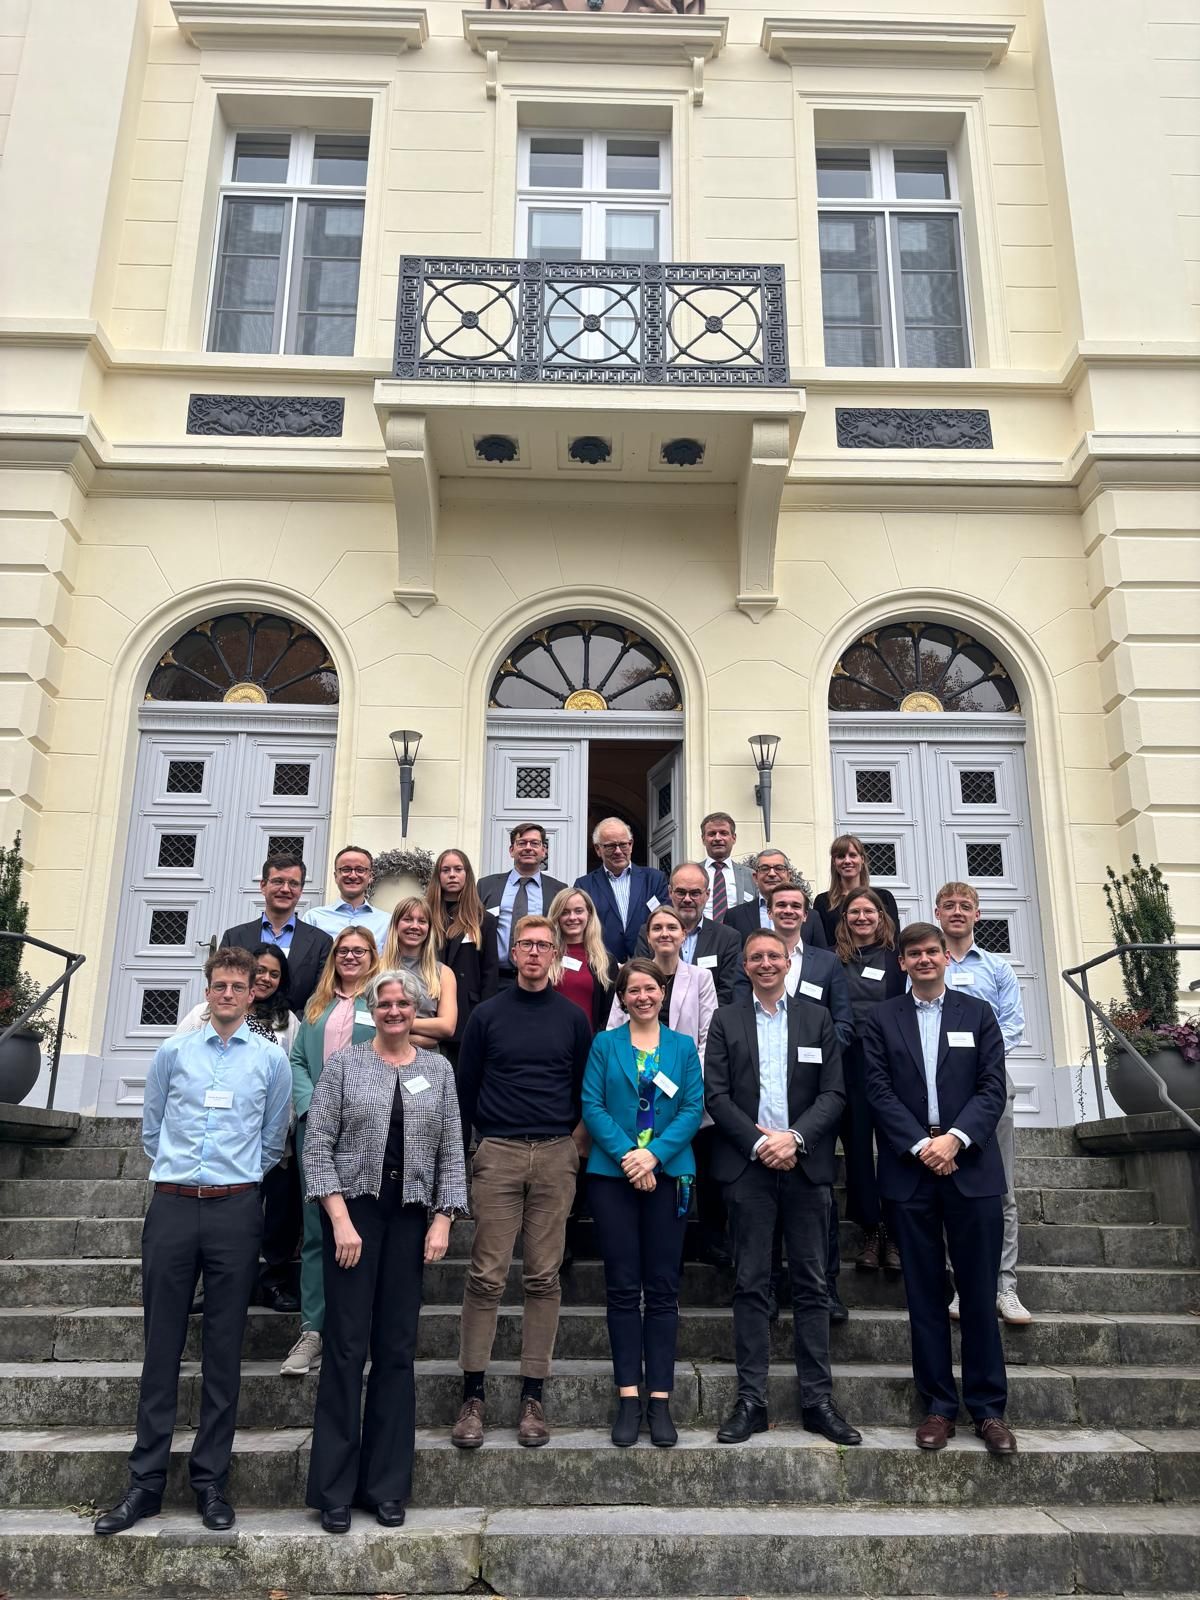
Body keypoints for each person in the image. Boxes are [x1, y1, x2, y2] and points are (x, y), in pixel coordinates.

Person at [93, 947, 290, 1536]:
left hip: (235, 1210)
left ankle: (210, 1483)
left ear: (254, 992)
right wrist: (182, 1175)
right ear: (206, 991)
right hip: (174, 1206)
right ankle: (145, 1485)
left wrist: (237, 1185)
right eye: (220, 985)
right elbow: (152, 1129)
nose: (228, 994)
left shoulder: (271, 1060)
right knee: (161, 1348)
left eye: (238, 986)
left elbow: (273, 1138)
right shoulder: (172, 1053)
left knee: (224, 1351)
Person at [302, 967, 468, 1532]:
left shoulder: (438, 1071)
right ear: (374, 1010)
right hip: (355, 1217)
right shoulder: (347, 1064)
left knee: (396, 1351)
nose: (395, 1011)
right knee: (346, 1350)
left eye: (404, 1003)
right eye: (386, 1003)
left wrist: (443, 1221)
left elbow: (451, 1149)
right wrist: (342, 1221)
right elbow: (317, 1142)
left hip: (410, 1220)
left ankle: (387, 1486)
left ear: (416, 1009)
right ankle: (334, 1490)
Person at [862, 921, 1016, 1456]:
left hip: (970, 1167)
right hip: (910, 1170)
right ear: (901, 962)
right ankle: (938, 1407)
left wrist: (953, 1140)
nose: (925, 959)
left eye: (933, 951)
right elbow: (876, 1090)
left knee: (977, 1293)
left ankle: (989, 1410)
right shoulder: (882, 1019)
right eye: (914, 953)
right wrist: (921, 1146)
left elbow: (992, 1087)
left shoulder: (978, 1014)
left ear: (946, 958)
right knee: (924, 1295)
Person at [704, 930, 860, 1448]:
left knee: (813, 1286)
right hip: (749, 1169)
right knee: (750, 1284)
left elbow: (835, 1092)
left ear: (788, 962)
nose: (766, 964)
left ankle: (817, 1401)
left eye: (774, 956)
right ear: (744, 966)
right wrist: (758, 1143)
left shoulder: (816, 1018)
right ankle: (751, 1400)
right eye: (756, 958)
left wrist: (793, 1139)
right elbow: (717, 1095)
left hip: (806, 1165)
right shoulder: (726, 1019)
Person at [452, 914, 592, 1449]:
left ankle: (533, 1394)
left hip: (555, 1155)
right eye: (525, 945)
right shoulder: (487, 1016)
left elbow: (586, 1087)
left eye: (543, 945)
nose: (534, 953)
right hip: (500, 1154)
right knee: (485, 1276)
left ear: (555, 954)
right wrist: (468, 1154)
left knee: (543, 1277)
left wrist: (574, 1145)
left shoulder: (573, 1018)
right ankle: (473, 1395)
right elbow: (465, 1091)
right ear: (512, 952)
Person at [583, 959, 704, 1447]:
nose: (642, 996)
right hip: (612, 1176)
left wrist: (652, 1156)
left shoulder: (682, 1047)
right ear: (622, 997)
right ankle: (628, 1397)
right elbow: (591, 1105)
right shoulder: (604, 1044)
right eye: (632, 990)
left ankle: (660, 1399)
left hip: (670, 1173)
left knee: (661, 1290)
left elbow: (694, 1107)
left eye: (650, 988)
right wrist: (629, 1157)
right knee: (621, 1288)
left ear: (663, 991)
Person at [179, 944, 301, 1313]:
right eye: (260, 970)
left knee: (278, 1215)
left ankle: (273, 1281)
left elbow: (292, 1074)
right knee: (220, 1222)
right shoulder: (203, 1014)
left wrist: (284, 1128)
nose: (266, 978)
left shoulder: (288, 1021)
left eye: (274, 974)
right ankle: (216, 1285)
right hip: (219, 1137)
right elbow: (179, 1061)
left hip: (272, 1135)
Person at [282, 927, 380, 1378]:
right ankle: (313, 1329)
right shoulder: (316, 1005)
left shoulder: (379, 1002)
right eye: (344, 951)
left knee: (365, 1224)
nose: (351, 957)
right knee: (318, 1228)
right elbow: (299, 1061)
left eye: (360, 951)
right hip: (316, 1128)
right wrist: (310, 1105)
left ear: (373, 956)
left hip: (366, 1127)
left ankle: (361, 1327)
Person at [934, 882, 1031, 1326]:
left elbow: (1012, 1024)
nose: (957, 912)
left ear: (978, 914)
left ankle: (1005, 1285)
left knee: (1002, 1188)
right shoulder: (928, 963)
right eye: (950, 905)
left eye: (965, 906)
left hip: (990, 1085)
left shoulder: (997, 968)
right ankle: (963, 1285)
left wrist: (981, 1059)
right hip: (938, 1090)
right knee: (950, 1188)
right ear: (937, 912)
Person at [625, 896, 729, 1266]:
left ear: (684, 934)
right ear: (648, 936)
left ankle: (710, 1240)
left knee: (699, 1165)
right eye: (657, 928)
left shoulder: (700, 978)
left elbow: (708, 1037)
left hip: (687, 1092)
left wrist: (685, 1082)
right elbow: (613, 1030)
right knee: (651, 1165)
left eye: (672, 927)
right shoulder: (634, 973)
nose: (665, 933)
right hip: (638, 1091)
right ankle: (658, 1242)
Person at [833, 891, 905, 1274]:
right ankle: (870, 1230)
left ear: (881, 916)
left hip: (892, 1063)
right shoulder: (831, 959)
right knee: (858, 1146)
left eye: (869, 911)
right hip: (849, 1062)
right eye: (854, 912)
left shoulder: (898, 959)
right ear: (844, 917)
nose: (862, 917)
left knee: (894, 1145)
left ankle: (894, 1231)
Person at [221, 851, 332, 1016]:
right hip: (238, 1026)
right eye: (278, 881)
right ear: (263, 886)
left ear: (301, 890)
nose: (285, 889)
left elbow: (320, 996)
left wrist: (291, 1027)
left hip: (295, 1031)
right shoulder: (234, 937)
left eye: (293, 884)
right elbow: (223, 985)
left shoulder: (321, 942)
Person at [634, 862, 743, 1006]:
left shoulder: (727, 938)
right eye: (680, 892)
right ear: (670, 892)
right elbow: (641, 979)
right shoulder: (649, 933)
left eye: (695, 893)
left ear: (707, 895)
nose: (687, 899)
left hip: (709, 1023)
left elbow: (726, 992)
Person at [427, 847, 499, 1066]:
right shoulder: (424, 916)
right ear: (437, 876)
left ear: (467, 874)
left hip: (467, 1011)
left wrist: (485, 1015)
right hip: (428, 1005)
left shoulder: (483, 920)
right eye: (445, 869)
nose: (452, 875)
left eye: (458, 869)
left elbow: (490, 972)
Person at [478, 823, 568, 984]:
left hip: (542, 980)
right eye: (522, 843)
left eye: (534, 843)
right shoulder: (486, 886)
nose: (528, 848)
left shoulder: (558, 890)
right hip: (494, 980)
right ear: (511, 850)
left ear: (544, 851)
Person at [574, 816, 670, 965]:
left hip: (648, 965)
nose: (618, 851)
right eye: (611, 846)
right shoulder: (584, 885)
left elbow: (665, 920)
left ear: (631, 845)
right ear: (598, 849)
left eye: (623, 845)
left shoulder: (654, 879)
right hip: (603, 967)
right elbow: (580, 929)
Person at [381, 897, 459, 1054]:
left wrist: (394, 1024)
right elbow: (367, 1021)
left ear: (429, 929)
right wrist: (418, 1039)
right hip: (382, 1057)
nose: (415, 926)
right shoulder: (376, 968)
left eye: (422, 921)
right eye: (408, 919)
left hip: (427, 1061)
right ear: (395, 925)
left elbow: (447, 1026)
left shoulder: (444, 973)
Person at [723, 849, 829, 949]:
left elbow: (820, 959)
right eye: (764, 868)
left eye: (779, 868)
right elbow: (732, 961)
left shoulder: (812, 916)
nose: (772, 874)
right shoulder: (734, 916)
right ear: (755, 877)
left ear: (789, 875)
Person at [549, 886, 617, 1033]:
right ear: (557, 917)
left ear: (589, 915)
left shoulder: (606, 962)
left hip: (589, 1045)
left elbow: (609, 1014)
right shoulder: (546, 955)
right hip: (549, 1042)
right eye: (565, 912)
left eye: (578, 911)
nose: (572, 917)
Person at [813, 834, 901, 947]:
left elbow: (894, 939)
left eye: (853, 855)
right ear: (834, 862)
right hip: (838, 962)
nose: (847, 861)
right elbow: (822, 944)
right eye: (841, 856)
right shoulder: (823, 901)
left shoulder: (883, 897)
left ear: (862, 859)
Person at [304, 845, 391, 948]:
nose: (353, 876)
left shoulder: (386, 922)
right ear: (336, 876)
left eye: (360, 870)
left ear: (370, 877)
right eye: (346, 869)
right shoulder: (314, 918)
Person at [699, 811, 754, 922]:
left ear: (733, 838)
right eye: (712, 834)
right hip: (701, 935)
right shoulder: (692, 873)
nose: (717, 838)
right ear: (703, 839)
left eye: (723, 833)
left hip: (739, 937)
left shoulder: (751, 876)